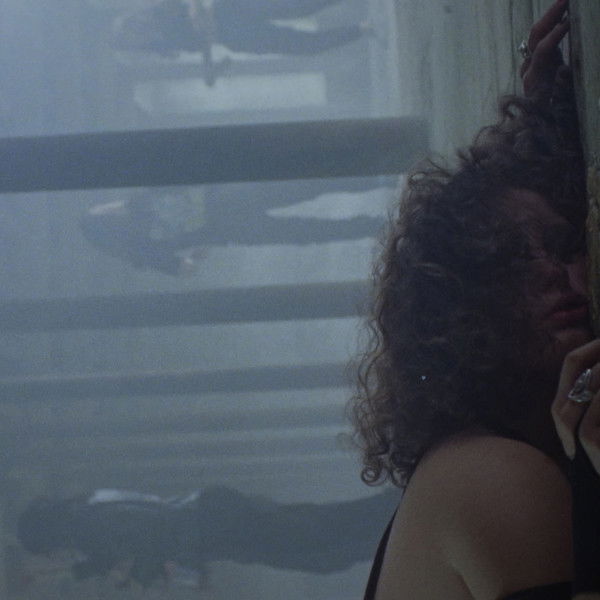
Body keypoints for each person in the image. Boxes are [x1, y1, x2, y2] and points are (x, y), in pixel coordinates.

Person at [351, 1, 600, 599]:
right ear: (459, 314)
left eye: (562, 244)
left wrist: (549, 120)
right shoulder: (492, 476)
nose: (552, 273)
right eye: (509, 260)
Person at [16, 486, 398, 588]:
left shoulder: (88, 526)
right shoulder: (90, 510)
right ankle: (399, 521)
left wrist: (143, 573)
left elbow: (152, 534)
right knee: (321, 543)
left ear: (49, 536)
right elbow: (131, 538)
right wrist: (85, 570)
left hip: (218, 524)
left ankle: (401, 510)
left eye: (47, 550)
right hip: (217, 519)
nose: (53, 556)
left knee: (321, 539)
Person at [79, 185, 388, 275]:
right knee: (303, 189)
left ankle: (376, 225)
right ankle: (377, 177)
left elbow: (185, 270)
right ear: (106, 217)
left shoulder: (141, 251)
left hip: (230, 229)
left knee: (303, 231)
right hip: (229, 196)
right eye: (102, 210)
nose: (107, 206)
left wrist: (198, 253)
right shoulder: (138, 198)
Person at [112, 0, 372, 85]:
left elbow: (193, 8)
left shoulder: (158, 11)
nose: (135, 33)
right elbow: (202, 41)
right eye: (129, 40)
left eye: (129, 30)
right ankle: (363, 29)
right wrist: (210, 68)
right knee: (300, 46)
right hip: (234, 37)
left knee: (297, 6)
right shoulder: (162, 46)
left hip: (231, 10)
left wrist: (197, 14)